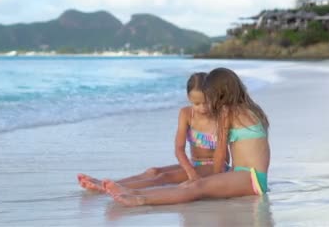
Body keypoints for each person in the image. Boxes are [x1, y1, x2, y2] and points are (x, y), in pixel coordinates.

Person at [104, 67, 270, 206]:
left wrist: (215, 178)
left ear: (219, 93)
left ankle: (140, 198)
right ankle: (135, 192)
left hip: (250, 177)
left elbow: (220, 152)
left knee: (196, 186)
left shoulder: (228, 111)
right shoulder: (252, 110)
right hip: (251, 176)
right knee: (193, 184)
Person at [78, 72, 228, 192]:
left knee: (164, 177)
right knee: (153, 171)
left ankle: (112, 189)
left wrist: (214, 178)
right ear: (189, 98)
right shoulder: (186, 113)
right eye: (197, 103)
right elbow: (179, 148)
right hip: (195, 163)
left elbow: (221, 152)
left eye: (207, 102)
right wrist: (190, 171)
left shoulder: (221, 116)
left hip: (215, 165)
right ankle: (107, 184)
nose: (203, 108)